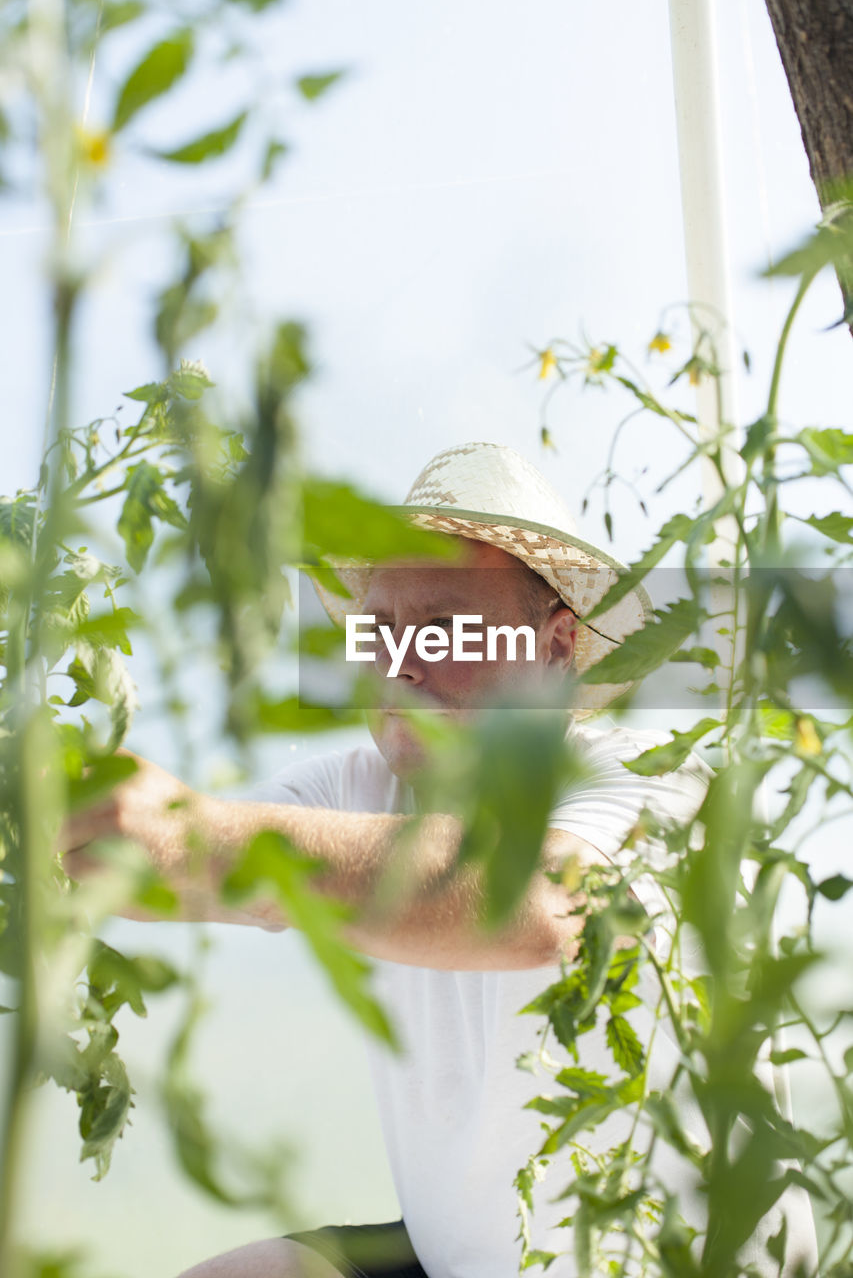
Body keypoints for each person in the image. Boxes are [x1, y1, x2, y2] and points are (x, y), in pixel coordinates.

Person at [62, 442, 814, 1278]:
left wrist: (194, 836)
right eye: (376, 632)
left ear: (557, 648)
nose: (398, 665)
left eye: (443, 627)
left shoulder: (651, 780)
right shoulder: (356, 786)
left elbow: (537, 905)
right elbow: (188, 861)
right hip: (456, 1258)